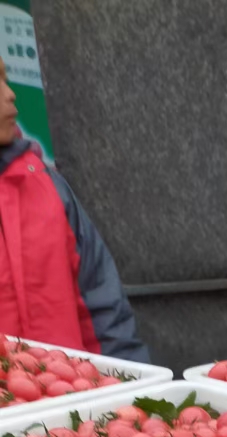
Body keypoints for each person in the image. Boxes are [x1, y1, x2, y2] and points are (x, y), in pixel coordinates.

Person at [0, 58, 147, 359]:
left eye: (6, 78)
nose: (10, 93)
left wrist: (130, 391)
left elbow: (104, 310)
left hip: (74, 400)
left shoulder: (46, 184)